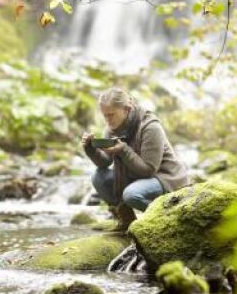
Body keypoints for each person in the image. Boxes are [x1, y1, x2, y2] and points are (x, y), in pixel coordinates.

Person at [81, 87, 189, 231]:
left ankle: (167, 220)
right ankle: (126, 221)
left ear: (126, 109)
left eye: (111, 115)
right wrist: (90, 149)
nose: (107, 120)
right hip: (135, 175)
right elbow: (105, 162)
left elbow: (148, 170)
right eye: (104, 115)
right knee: (98, 176)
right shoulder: (111, 128)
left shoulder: (150, 126)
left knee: (131, 194)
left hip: (165, 177)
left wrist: (124, 150)